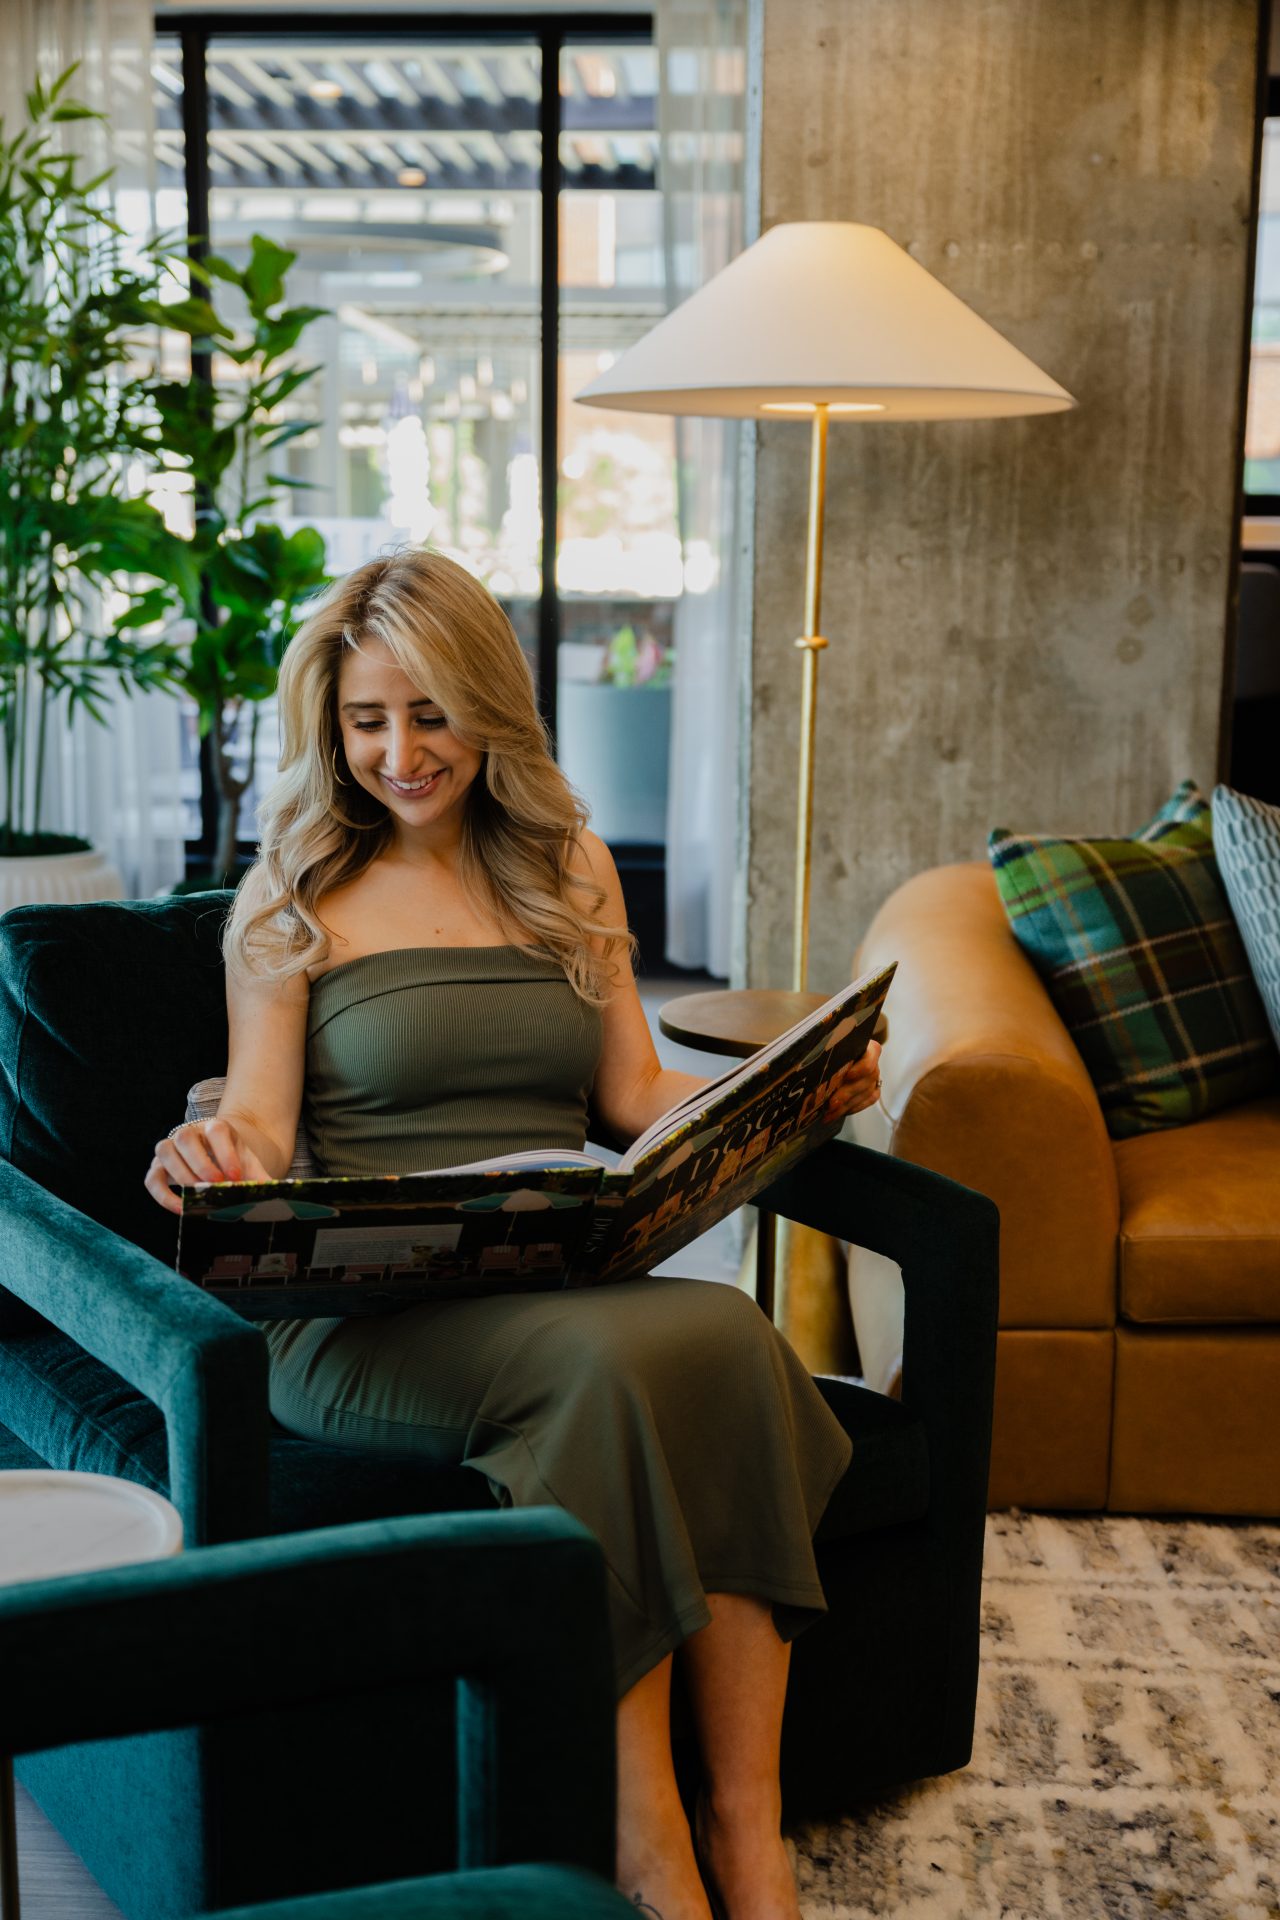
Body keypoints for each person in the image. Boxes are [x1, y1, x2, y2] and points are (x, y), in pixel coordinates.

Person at [145, 549, 883, 1920]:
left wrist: (786, 1095)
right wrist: (205, 1157)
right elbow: (253, 1124)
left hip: (553, 1279)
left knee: (724, 1330)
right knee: (602, 1377)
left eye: (429, 714)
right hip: (366, 1324)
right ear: (330, 725)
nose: (399, 753)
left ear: (491, 703)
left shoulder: (568, 864)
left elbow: (630, 1096)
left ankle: (750, 1832)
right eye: (366, 721)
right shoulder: (290, 897)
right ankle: (649, 1847)